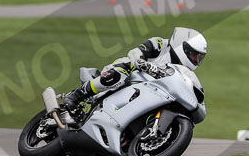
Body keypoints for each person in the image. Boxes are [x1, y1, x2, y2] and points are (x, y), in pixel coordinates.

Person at [62, 27, 207, 119]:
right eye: (194, 55)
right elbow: (135, 53)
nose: (195, 59)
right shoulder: (160, 44)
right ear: (184, 47)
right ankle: (75, 96)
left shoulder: (182, 70)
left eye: (198, 57)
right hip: (129, 75)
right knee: (122, 73)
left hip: (148, 92)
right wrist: (144, 64)